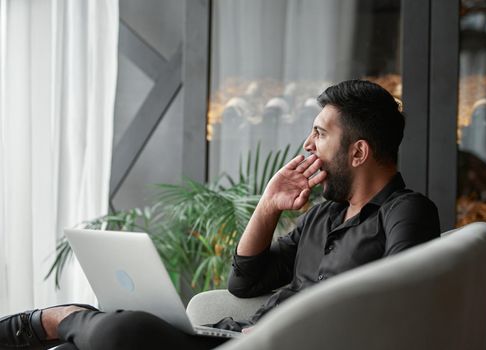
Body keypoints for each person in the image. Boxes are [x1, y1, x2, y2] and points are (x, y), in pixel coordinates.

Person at [0, 79, 440, 350]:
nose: (308, 145)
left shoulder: (406, 212)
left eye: (320, 134)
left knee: (122, 336)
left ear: (358, 151)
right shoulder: (325, 216)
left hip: (279, 344)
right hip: (241, 337)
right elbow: (245, 281)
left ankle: (56, 318)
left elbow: (401, 302)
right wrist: (268, 206)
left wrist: (294, 330)